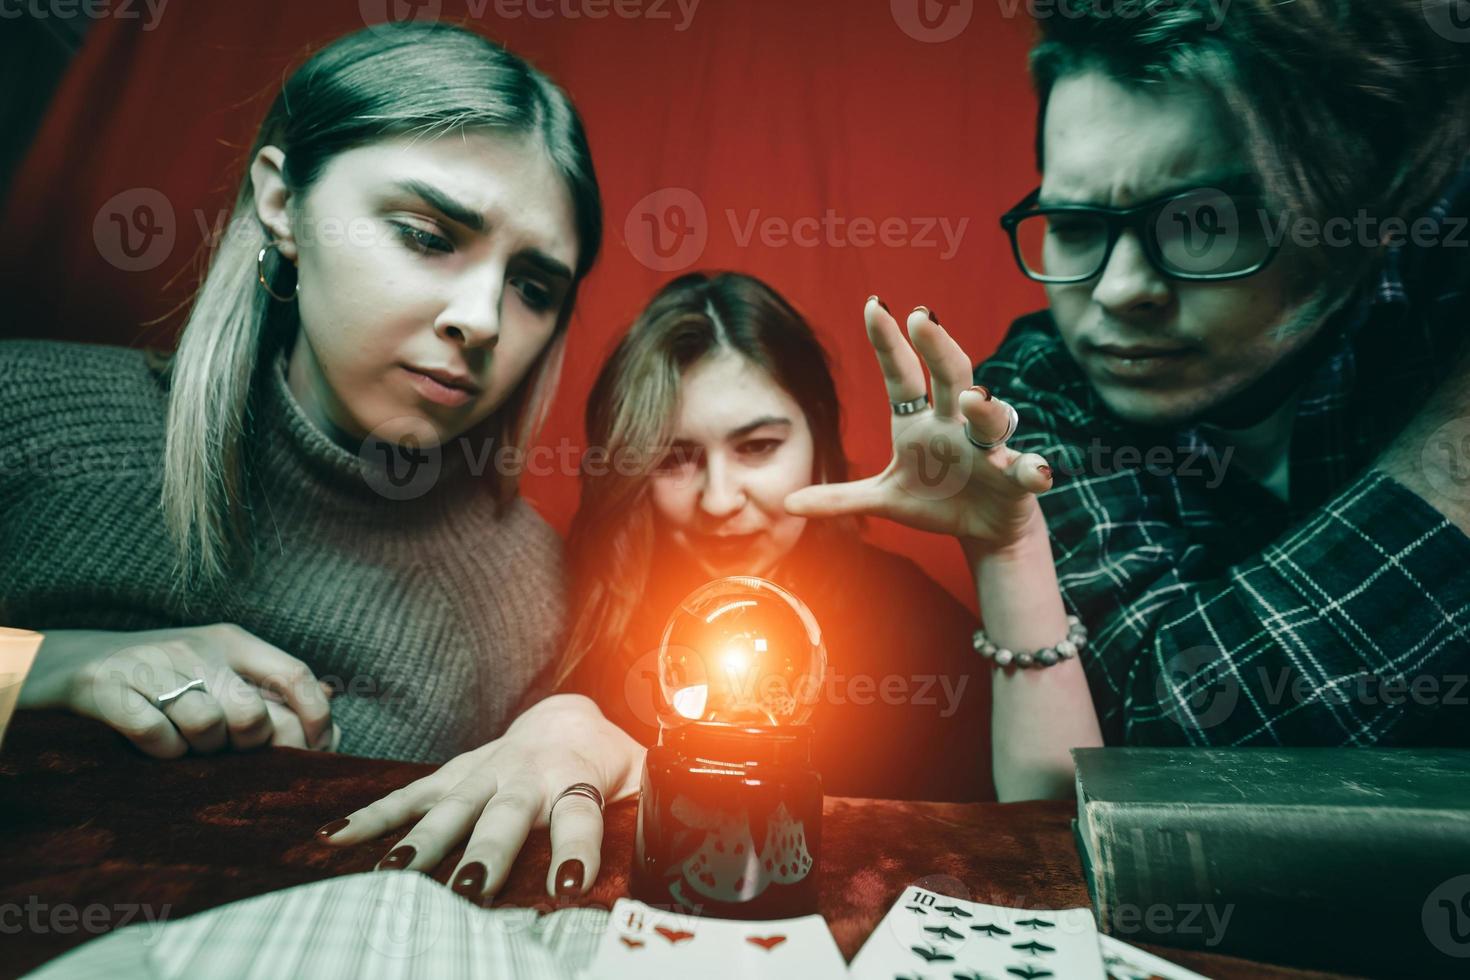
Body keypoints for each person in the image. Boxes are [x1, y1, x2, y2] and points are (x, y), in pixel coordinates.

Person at [6, 22, 641, 900]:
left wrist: (577, 732)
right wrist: (40, 665)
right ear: (282, 201)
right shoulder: (27, 413)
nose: (485, 319)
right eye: (427, 234)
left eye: (534, 287)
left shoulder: (527, 585)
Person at [786, 0, 1470, 801]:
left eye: (1202, 223)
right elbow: (1171, 737)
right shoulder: (1034, 399)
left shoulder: (1435, 299)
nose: (1119, 291)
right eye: (1076, 225)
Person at [555, 271, 993, 802]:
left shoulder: (911, 625)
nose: (718, 500)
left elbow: (1031, 823)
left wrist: (1006, 548)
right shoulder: (569, 613)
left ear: (818, 436)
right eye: (673, 458)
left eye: (758, 446)